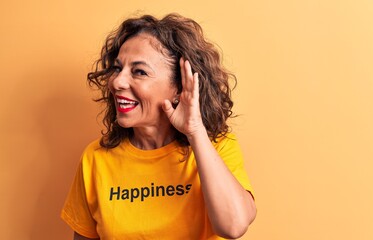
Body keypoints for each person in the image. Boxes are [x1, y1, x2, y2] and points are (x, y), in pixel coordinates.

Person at [61, 13, 256, 240]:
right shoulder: (95, 159)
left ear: (179, 88)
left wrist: (195, 131)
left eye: (139, 71)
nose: (117, 82)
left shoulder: (217, 147)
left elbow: (233, 226)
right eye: (118, 68)